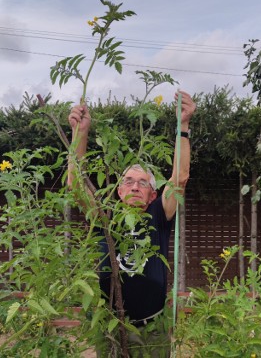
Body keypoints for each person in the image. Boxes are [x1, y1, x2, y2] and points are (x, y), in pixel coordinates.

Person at [67, 90, 195, 357]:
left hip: (152, 330)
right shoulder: (106, 216)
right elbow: (77, 186)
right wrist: (80, 134)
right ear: (119, 191)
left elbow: (179, 178)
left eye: (143, 183)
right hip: (111, 327)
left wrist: (182, 126)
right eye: (128, 181)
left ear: (153, 193)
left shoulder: (159, 215)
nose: (135, 186)